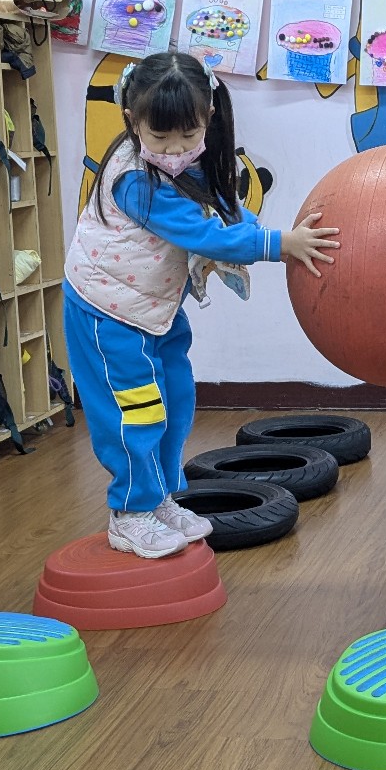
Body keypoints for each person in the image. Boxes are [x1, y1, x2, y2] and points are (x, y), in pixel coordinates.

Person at [64, 52, 338, 558]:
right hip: (108, 312)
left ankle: (161, 497)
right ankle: (130, 511)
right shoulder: (133, 179)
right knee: (136, 412)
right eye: (160, 137)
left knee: (175, 399)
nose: (175, 150)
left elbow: (223, 209)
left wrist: (260, 230)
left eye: (188, 135)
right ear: (132, 119)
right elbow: (203, 233)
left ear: (208, 116)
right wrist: (280, 244)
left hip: (154, 309)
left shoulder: (192, 160)